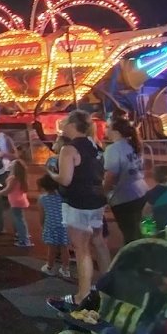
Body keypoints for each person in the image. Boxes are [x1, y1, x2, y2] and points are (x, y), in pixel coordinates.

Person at [46, 110, 110, 312]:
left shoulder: (69, 149)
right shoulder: (94, 145)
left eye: (65, 122)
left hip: (77, 202)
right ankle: (109, 288)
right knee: (99, 242)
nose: (62, 125)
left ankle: (81, 295)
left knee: (81, 249)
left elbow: (65, 179)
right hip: (96, 200)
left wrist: (51, 174)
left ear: (73, 125)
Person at [103, 118, 147, 245]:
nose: (106, 130)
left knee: (130, 234)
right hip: (141, 191)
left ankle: (135, 262)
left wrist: (104, 193)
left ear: (116, 131)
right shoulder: (133, 144)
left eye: (108, 127)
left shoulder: (113, 149)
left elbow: (111, 175)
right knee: (140, 231)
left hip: (124, 197)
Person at [0, 147, 33, 247]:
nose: (10, 165)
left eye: (12, 164)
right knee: (20, 219)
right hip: (20, 201)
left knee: (19, 220)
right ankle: (23, 235)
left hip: (15, 202)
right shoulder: (20, 178)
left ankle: (24, 239)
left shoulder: (13, 178)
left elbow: (8, 190)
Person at [37, 174, 71, 278]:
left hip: (51, 226)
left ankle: (49, 267)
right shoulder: (62, 197)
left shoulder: (42, 199)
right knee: (64, 248)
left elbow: (42, 215)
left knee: (51, 249)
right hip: (64, 225)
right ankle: (65, 269)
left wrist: (42, 225)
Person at [145, 163, 167, 231]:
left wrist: (148, 229)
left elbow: (146, 212)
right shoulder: (153, 193)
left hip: (160, 224)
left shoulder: (152, 193)